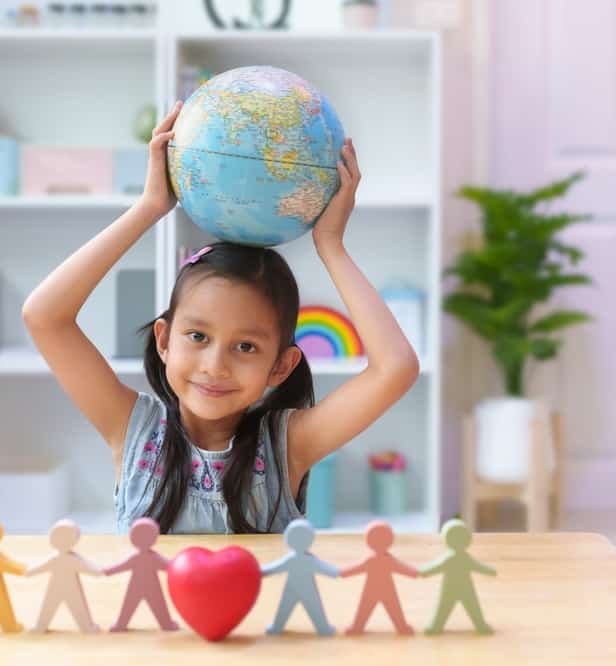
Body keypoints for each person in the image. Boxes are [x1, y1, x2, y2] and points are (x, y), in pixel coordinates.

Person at [22, 102, 419, 534]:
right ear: (164, 339)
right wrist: (150, 207)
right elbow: (45, 316)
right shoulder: (132, 428)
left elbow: (395, 368)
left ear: (281, 365)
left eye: (246, 347)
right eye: (197, 336)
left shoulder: (288, 446)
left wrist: (331, 246)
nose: (215, 364)